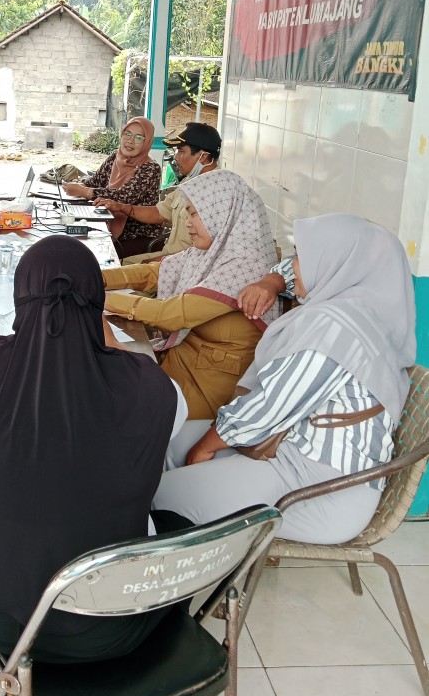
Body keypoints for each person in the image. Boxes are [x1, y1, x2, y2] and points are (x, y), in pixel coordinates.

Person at [0, 235, 185, 663]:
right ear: (97, 304)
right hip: (102, 629)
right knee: (174, 524)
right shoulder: (150, 388)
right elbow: (175, 413)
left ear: (19, 299)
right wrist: (106, 338)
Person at [153, 214, 416, 544]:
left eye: (303, 257)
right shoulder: (366, 307)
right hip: (289, 447)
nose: (292, 266)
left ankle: (173, 557)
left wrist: (202, 450)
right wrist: (271, 283)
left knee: (160, 494)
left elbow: (267, 409)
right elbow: (288, 275)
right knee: (162, 440)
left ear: (337, 266)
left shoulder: (337, 330)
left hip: (318, 489)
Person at [101, 169, 279, 418]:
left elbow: (172, 314)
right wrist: (96, 277)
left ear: (222, 212)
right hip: (178, 365)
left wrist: (101, 297)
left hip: (202, 391)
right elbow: (155, 272)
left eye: (195, 214)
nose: (187, 223)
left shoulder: (246, 265)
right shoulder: (215, 251)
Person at [95, 122, 222, 264]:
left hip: (183, 264)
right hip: (168, 256)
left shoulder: (215, 192)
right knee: (112, 264)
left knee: (112, 267)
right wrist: (121, 207)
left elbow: (203, 250)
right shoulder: (190, 181)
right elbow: (159, 213)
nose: (175, 157)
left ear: (202, 156)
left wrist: (156, 262)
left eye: (181, 151)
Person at [62, 117, 163, 257]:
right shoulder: (115, 157)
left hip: (137, 237)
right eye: (127, 134)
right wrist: (78, 184)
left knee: (90, 255)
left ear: (147, 143)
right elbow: (95, 181)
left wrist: (85, 191)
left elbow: (123, 197)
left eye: (139, 138)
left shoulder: (151, 169)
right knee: (70, 243)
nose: (130, 141)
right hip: (107, 225)